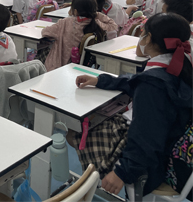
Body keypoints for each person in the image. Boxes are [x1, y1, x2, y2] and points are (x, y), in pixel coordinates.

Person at [73, 13, 192, 196]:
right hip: (170, 144)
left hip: (153, 162)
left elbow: (147, 134)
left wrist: (123, 171)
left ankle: (88, 183)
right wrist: (100, 80)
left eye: (143, 33)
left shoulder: (153, 85)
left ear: (149, 38)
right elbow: (134, 80)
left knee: (80, 129)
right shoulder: (177, 65)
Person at [41, 0, 118, 71]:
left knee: (41, 50)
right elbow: (113, 26)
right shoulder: (95, 23)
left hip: (58, 66)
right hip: (79, 66)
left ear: (75, 11)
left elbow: (45, 32)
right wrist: (95, 15)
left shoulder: (65, 23)